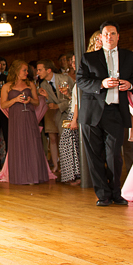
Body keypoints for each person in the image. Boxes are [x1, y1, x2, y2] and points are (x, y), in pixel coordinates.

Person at [76, 22, 133, 206]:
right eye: (106, 34)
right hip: (92, 112)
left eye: (113, 34)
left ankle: (116, 193)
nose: (109, 37)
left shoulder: (129, 57)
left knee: (114, 155)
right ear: (101, 37)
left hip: (116, 111)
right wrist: (102, 84)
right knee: (95, 156)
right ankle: (103, 195)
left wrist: (130, 84)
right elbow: (81, 81)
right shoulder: (89, 58)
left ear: (118, 36)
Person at [1, 60, 48, 185]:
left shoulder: (30, 84)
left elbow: (37, 102)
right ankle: (20, 175)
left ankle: (34, 175)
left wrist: (30, 100)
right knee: (18, 144)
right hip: (16, 118)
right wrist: (15, 100)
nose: (27, 73)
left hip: (29, 116)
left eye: (27, 70)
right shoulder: (7, 86)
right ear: (16, 71)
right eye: (24, 70)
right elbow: (3, 104)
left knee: (32, 142)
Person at [35, 59, 74, 175]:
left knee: (65, 139)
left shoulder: (64, 79)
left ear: (48, 70)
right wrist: (46, 97)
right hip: (53, 113)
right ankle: (56, 165)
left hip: (68, 112)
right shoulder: (43, 84)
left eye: (40, 70)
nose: (38, 72)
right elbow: (50, 102)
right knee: (53, 138)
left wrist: (58, 105)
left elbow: (74, 98)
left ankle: (67, 166)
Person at [59, 49, 84, 185]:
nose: (72, 64)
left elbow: (79, 102)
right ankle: (75, 176)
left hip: (76, 114)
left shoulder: (83, 78)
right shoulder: (78, 78)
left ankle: (77, 176)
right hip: (73, 112)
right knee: (69, 144)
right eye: (71, 62)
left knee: (68, 143)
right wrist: (68, 94)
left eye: (75, 62)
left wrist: (74, 119)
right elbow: (74, 99)